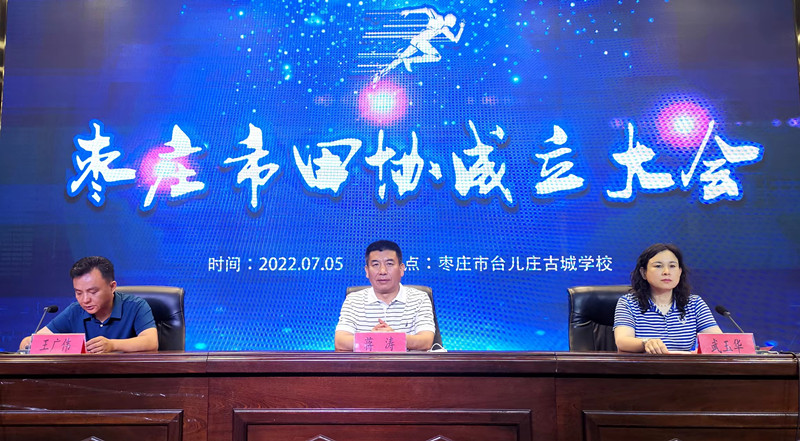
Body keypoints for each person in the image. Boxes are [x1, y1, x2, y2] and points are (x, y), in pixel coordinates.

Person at [19, 256, 158, 353]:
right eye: (78, 292)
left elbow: (151, 342)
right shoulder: (75, 310)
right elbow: (35, 340)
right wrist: (28, 342)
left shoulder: (136, 306)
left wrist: (112, 345)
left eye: (93, 292)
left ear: (112, 286)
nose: (85, 300)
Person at [614, 243, 722, 354]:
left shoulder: (694, 303)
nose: (666, 272)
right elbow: (622, 341)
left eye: (672, 266)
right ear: (643, 273)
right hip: (645, 364)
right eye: (658, 266)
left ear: (680, 272)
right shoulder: (628, 303)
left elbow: (718, 341)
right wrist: (646, 343)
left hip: (684, 364)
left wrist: (700, 352)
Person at [335, 240, 436, 351]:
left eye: (389, 264)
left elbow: (426, 341)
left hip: (407, 363)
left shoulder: (419, 298)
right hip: (366, 362)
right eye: (375, 265)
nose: (382, 271)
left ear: (401, 269)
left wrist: (393, 338)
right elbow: (340, 342)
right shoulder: (353, 300)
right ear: (367, 271)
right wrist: (374, 339)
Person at [372, 7, 465, 83]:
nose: (453, 24)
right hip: (420, 41)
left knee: (400, 58)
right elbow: (427, 9)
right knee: (437, 56)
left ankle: (380, 73)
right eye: (453, 22)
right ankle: (409, 61)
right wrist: (409, 11)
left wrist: (461, 28)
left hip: (417, 41)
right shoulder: (438, 18)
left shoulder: (444, 28)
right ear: (450, 19)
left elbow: (455, 40)